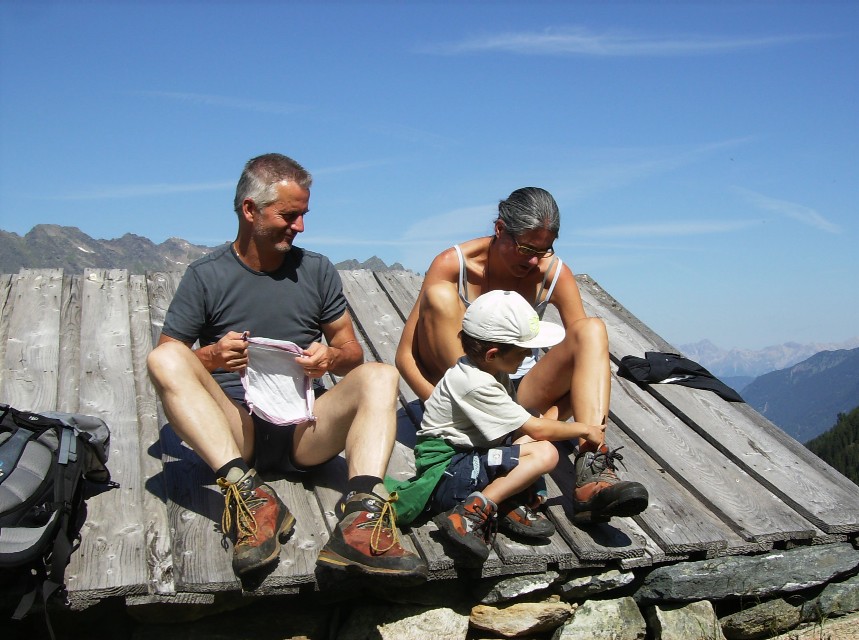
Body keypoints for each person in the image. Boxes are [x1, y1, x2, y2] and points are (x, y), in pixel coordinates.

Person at [146, 153, 427, 581]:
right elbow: (171, 361)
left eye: (303, 215)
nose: (300, 227)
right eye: (289, 215)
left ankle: (361, 521)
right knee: (162, 357)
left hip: (305, 430)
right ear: (249, 209)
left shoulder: (315, 270)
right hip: (237, 433)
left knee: (381, 375)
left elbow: (350, 349)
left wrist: (329, 359)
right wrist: (212, 357)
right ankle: (251, 496)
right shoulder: (206, 276)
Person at [395, 187, 648, 524]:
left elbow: (585, 358)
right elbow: (404, 358)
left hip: (518, 394)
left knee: (592, 330)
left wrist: (525, 421)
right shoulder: (451, 264)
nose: (534, 260)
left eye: (544, 250)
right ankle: (512, 446)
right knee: (440, 297)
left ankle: (592, 468)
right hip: (462, 392)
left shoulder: (552, 272)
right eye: (526, 248)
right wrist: (446, 404)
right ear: (500, 229)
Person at [387, 290, 607, 562]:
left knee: (533, 441)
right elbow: (537, 430)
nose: (530, 354)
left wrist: (532, 480)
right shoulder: (475, 384)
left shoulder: (492, 371)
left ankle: (504, 498)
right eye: (524, 350)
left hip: (470, 457)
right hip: (447, 473)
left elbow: (520, 429)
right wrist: (585, 429)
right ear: (492, 354)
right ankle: (473, 511)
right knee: (546, 452)